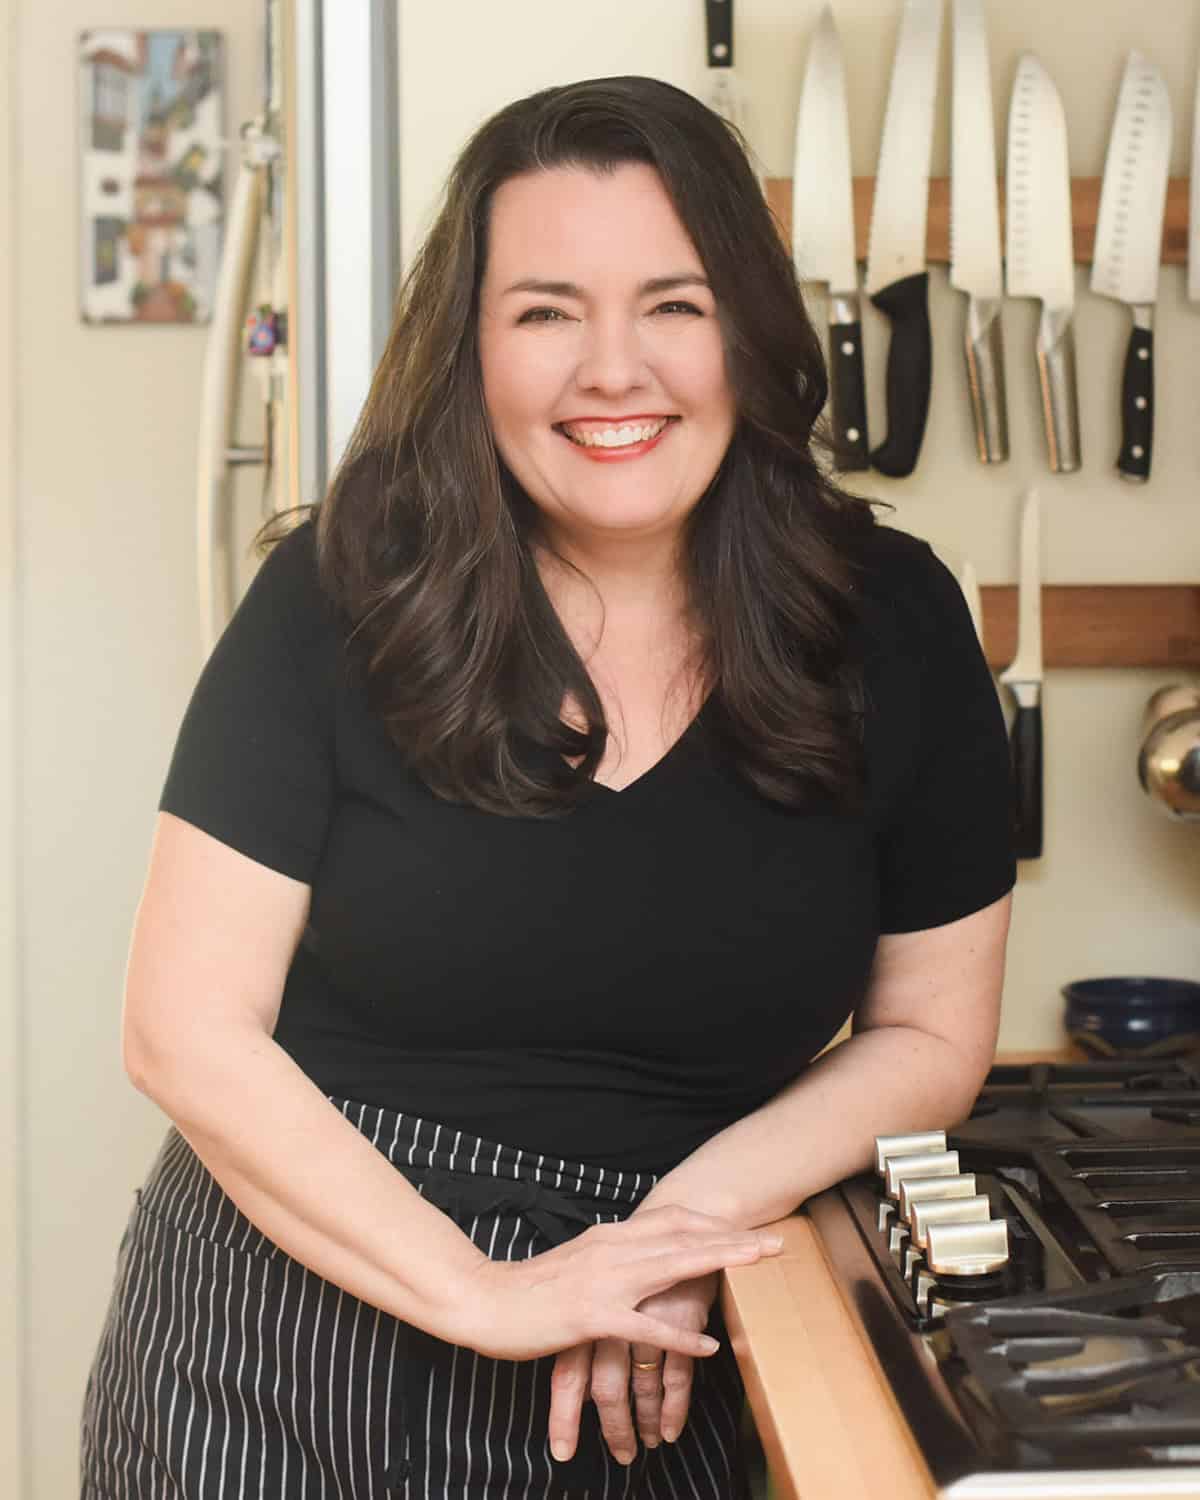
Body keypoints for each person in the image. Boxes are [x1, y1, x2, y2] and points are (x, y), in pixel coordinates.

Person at [80, 73, 1014, 1500]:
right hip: (286, 1343)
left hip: (658, 1342)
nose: (613, 370)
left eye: (673, 304)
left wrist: (684, 1223)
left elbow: (934, 1035)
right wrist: (486, 1295)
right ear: (470, 350)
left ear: (748, 336)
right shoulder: (336, 595)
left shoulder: (893, 622)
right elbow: (183, 1031)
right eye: (545, 312)